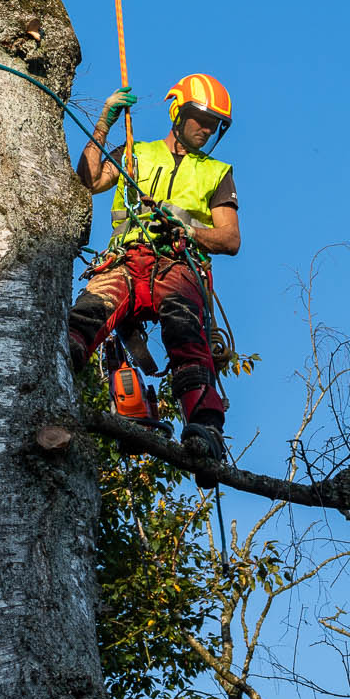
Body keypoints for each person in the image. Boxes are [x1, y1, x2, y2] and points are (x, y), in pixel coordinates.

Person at [68, 73, 239, 466]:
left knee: (185, 332)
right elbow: (88, 180)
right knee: (84, 320)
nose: (207, 129)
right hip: (126, 261)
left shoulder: (216, 172)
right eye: (201, 118)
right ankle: (47, 389)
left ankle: (206, 428)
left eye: (215, 124)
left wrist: (190, 231)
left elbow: (230, 239)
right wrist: (105, 121)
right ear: (178, 112)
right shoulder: (135, 153)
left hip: (177, 264)